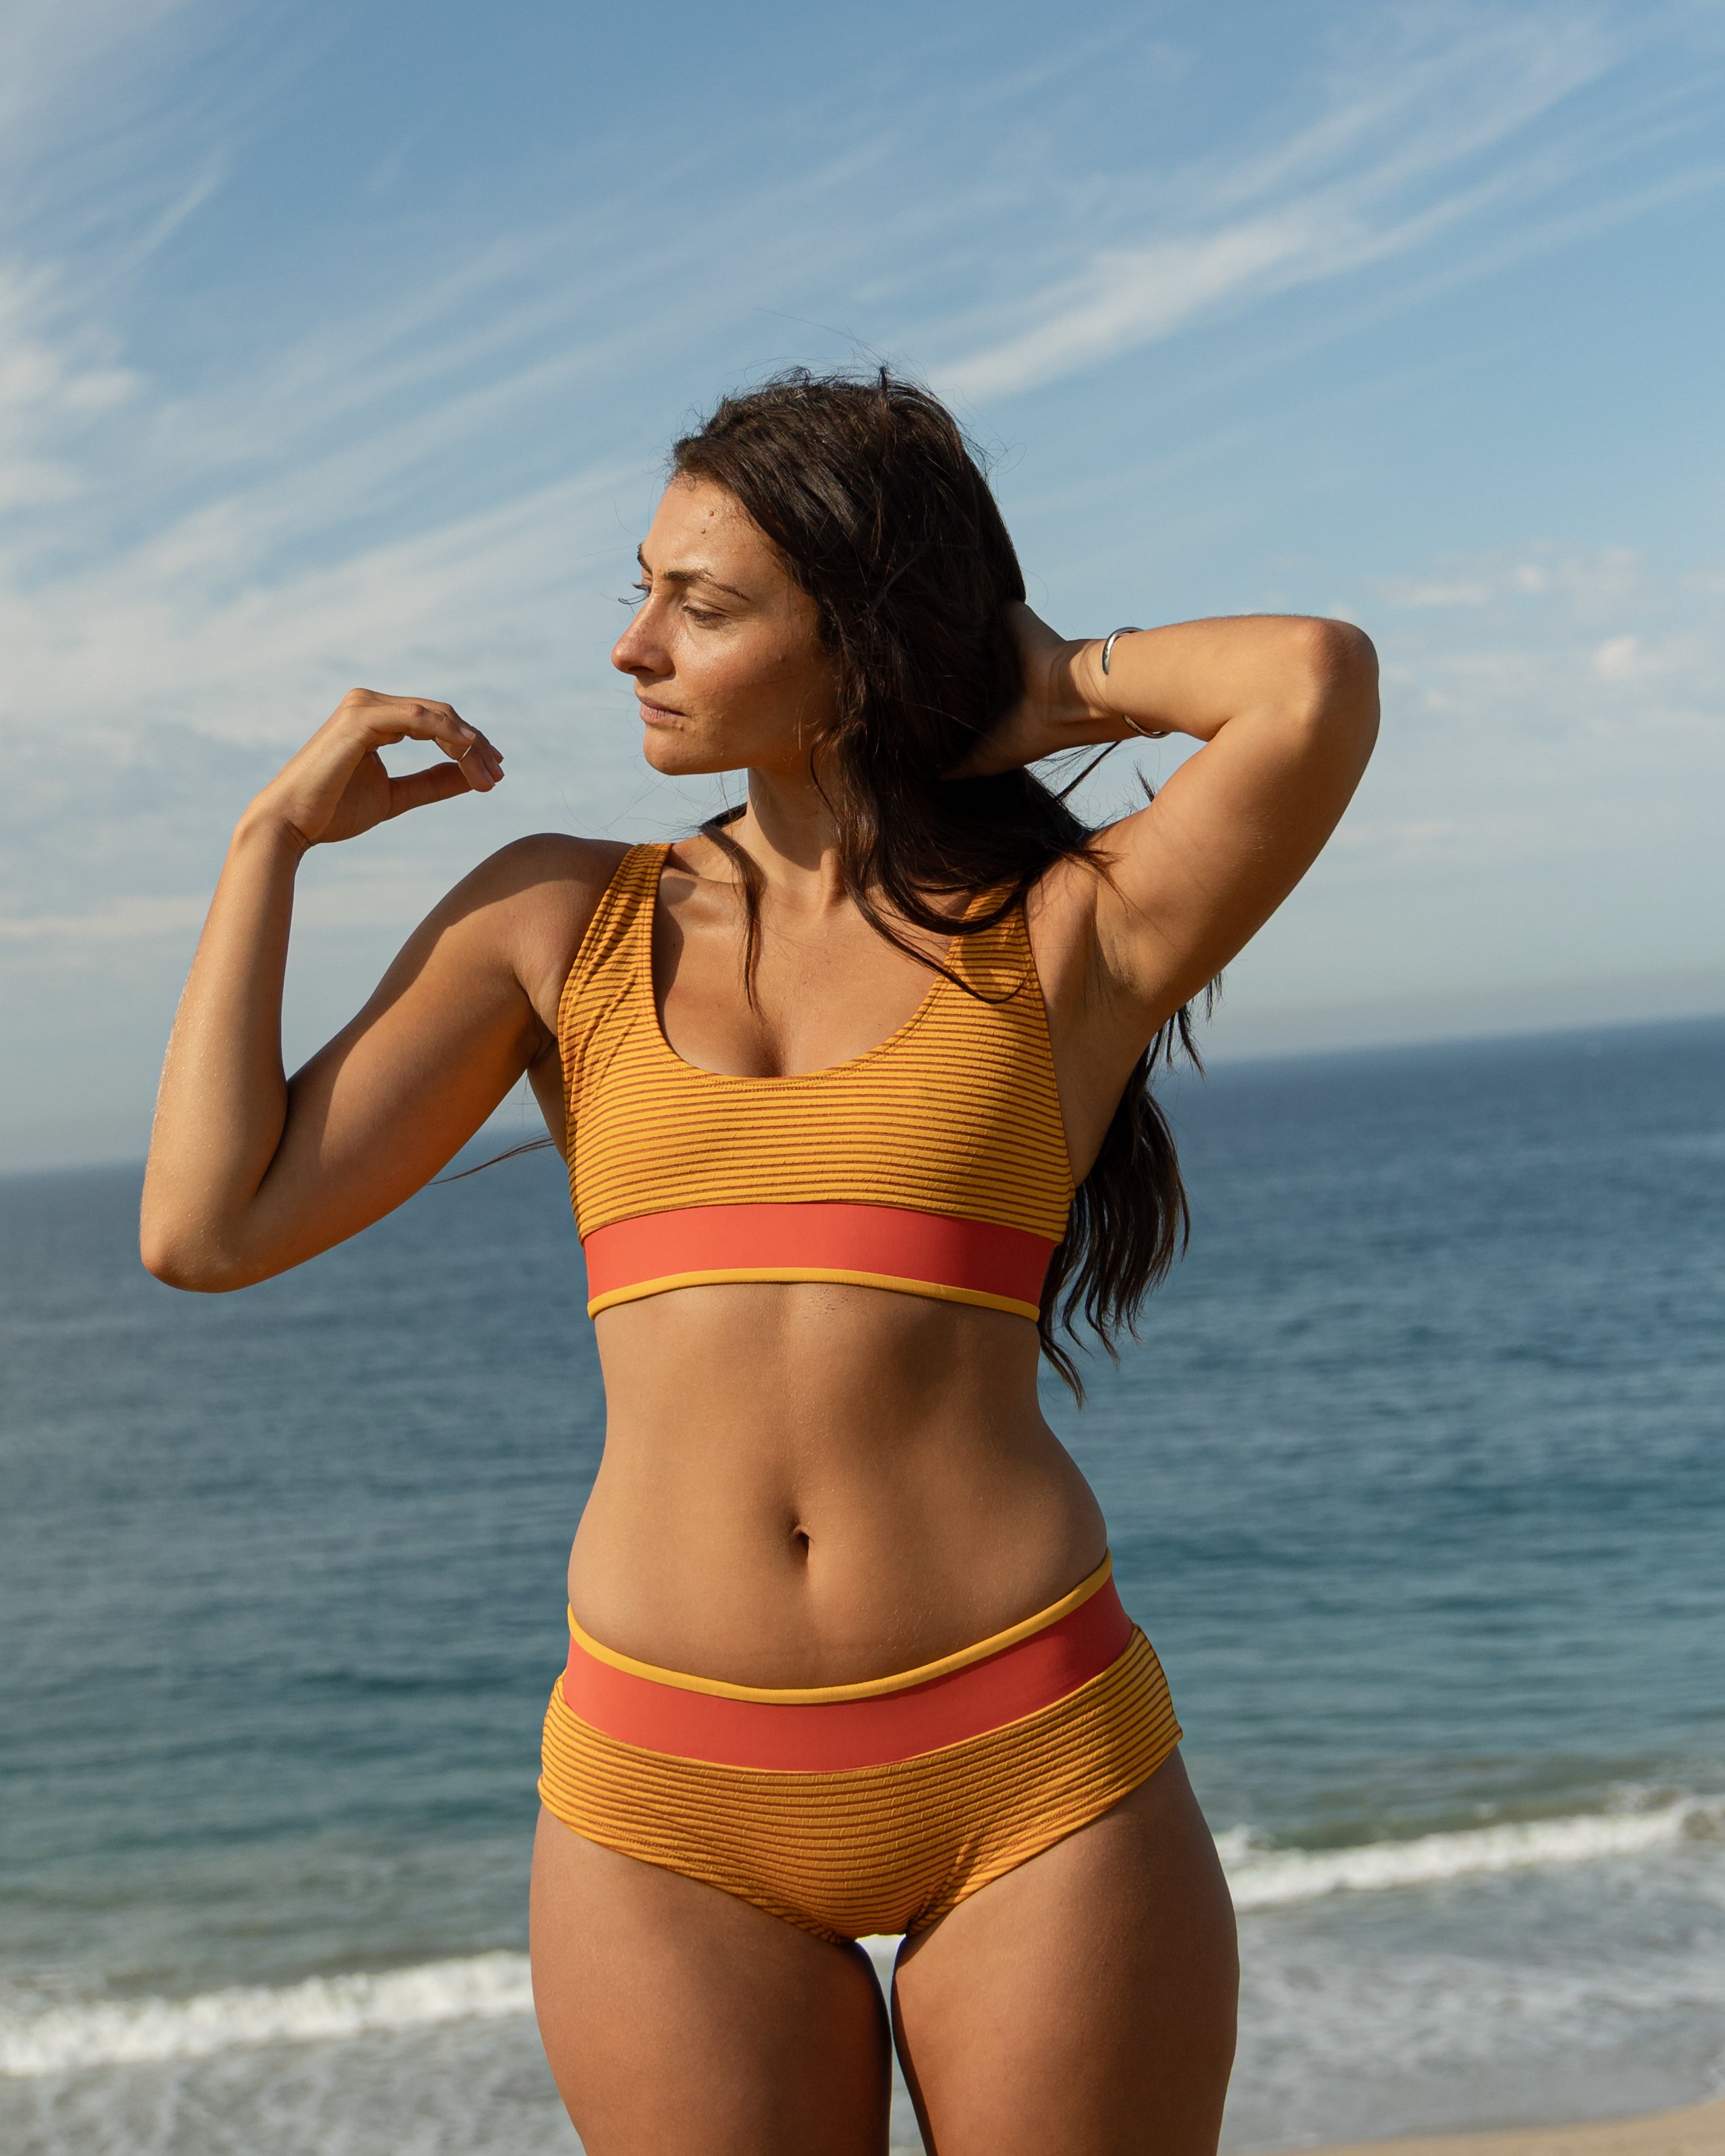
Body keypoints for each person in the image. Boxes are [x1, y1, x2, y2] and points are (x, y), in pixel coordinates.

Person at [141, 369, 1378, 2156]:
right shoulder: (554, 918)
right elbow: (207, 1227)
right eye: (637, 590)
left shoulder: (1073, 932)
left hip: (1028, 1763)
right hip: (665, 1805)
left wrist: (1040, 683)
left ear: (861, 636)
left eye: (702, 605)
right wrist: (266, 846)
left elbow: (1309, 681)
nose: (635, 647)